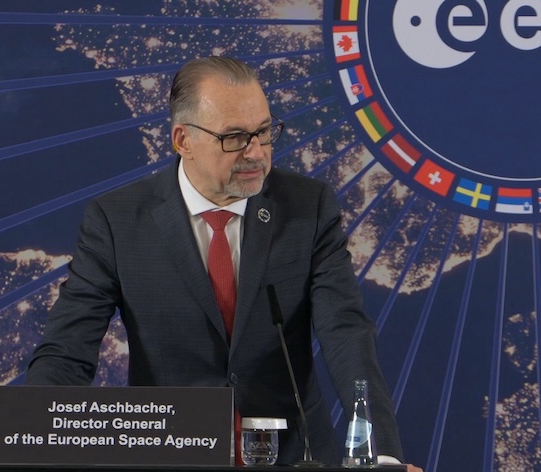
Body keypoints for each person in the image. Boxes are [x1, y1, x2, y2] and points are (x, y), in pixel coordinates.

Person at [26, 56, 422, 471]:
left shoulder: (308, 208)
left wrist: (384, 459)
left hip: (291, 456)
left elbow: (345, 332)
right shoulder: (118, 221)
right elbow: (68, 349)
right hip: (171, 458)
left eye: (264, 132)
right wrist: (29, 446)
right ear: (183, 140)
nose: (256, 153)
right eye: (234, 137)